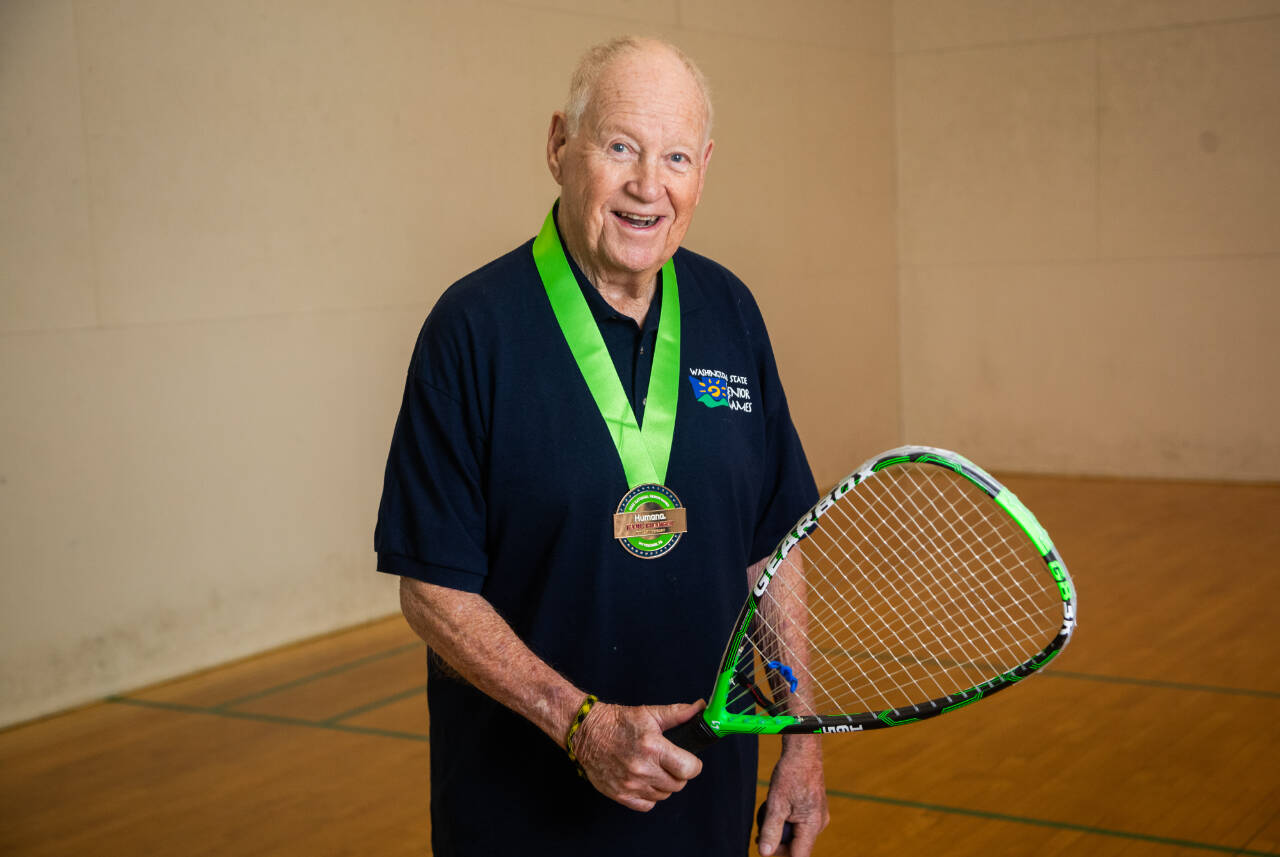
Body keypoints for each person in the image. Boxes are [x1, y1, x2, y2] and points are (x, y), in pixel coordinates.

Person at [374, 36, 829, 857]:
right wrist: (577, 722)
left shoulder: (732, 310)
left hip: (706, 807)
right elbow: (431, 589)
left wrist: (802, 731)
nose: (647, 187)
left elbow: (773, 546)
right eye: (620, 147)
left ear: (704, 169)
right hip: (522, 818)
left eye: (676, 157)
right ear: (558, 145)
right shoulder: (471, 332)